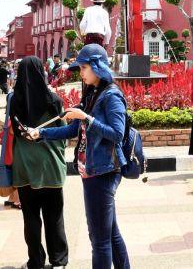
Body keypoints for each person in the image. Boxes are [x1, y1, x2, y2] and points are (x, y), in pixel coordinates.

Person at [28, 44, 130, 268]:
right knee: (110, 233)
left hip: (103, 172)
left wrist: (86, 118)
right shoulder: (93, 94)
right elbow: (73, 130)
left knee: (99, 240)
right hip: (92, 170)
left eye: (84, 67)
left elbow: (116, 134)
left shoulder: (111, 96)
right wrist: (42, 133)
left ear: (97, 67)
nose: (81, 73)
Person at [9, 57, 69, 269]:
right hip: (51, 166)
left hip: (24, 167)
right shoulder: (53, 100)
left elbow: (13, 132)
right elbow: (64, 132)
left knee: (31, 218)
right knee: (55, 216)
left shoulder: (14, 100)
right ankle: (59, 261)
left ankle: (35, 262)